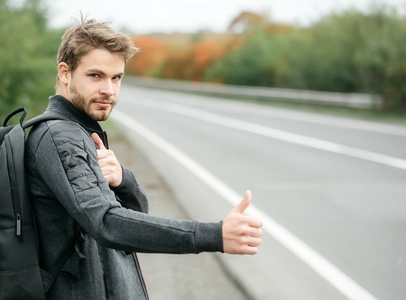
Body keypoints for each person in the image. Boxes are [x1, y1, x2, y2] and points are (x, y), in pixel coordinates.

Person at [25, 17, 263, 300]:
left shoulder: (81, 132)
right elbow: (108, 224)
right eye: (95, 76)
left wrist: (123, 179)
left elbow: (136, 216)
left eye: (117, 78)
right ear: (65, 73)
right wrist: (213, 235)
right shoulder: (60, 138)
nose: (109, 91)